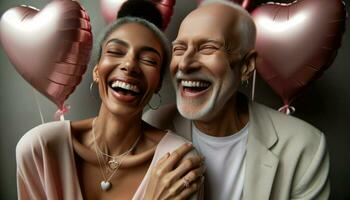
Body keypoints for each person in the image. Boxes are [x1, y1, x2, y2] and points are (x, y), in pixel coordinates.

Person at [15, 0, 204, 199]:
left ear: (157, 84)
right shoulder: (40, 149)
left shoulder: (177, 164)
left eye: (148, 60)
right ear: (97, 71)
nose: (130, 65)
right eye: (115, 51)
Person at [143, 0, 330, 199]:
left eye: (207, 48)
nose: (185, 64)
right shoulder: (152, 125)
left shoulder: (304, 146)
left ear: (246, 65)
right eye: (179, 49)